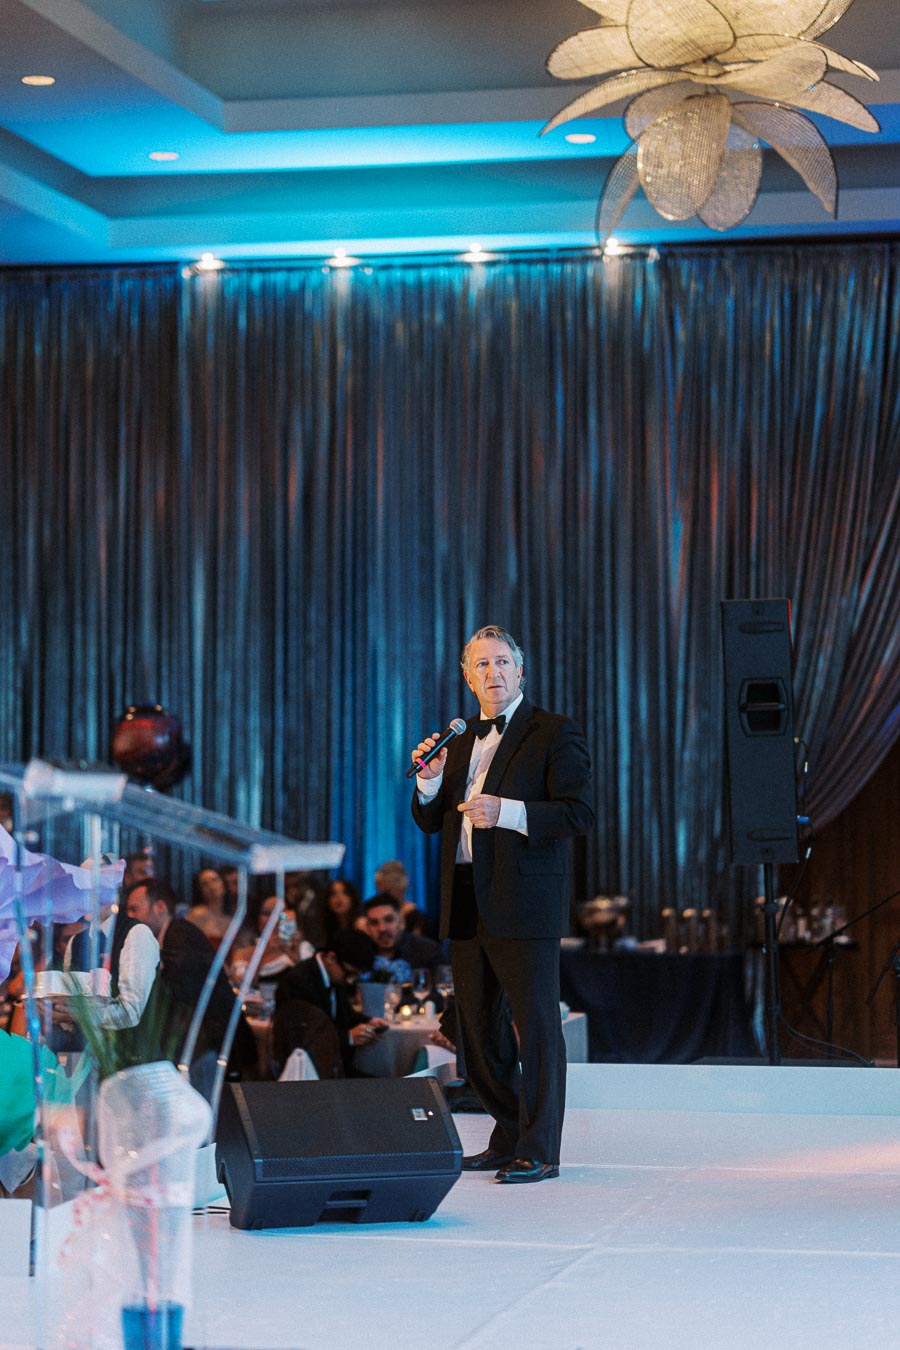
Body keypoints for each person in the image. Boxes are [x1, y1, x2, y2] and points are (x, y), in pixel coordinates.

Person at [411, 624, 593, 1184]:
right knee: (471, 1032)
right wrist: (427, 783)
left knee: (535, 1028)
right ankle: (510, 1131)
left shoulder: (554, 732)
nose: (492, 673)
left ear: (520, 670)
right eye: (481, 665)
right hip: (465, 897)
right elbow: (429, 820)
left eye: (501, 662)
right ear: (468, 677)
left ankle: (540, 1149)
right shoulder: (458, 740)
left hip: (524, 901)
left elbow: (578, 814)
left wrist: (508, 812)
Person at [125, 879, 255, 1080]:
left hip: (216, 1047)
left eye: (135, 909)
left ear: (160, 907)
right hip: (207, 1044)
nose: (129, 916)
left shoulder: (180, 936)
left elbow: (175, 992)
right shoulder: (172, 935)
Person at [272, 931, 386, 1077]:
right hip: (311, 1073)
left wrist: (368, 1021)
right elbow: (298, 1037)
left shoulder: (334, 975)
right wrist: (348, 1037)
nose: (351, 981)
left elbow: (345, 1014)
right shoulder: (297, 981)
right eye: (349, 974)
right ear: (331, 958)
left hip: (334, 1068)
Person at [362, 895, 441, 981]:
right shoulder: (360, 953)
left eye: (389, 920)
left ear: (402, 922)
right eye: (374, 923)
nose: (382, 928)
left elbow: (441, 988)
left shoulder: (427, 950)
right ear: (367, 928)